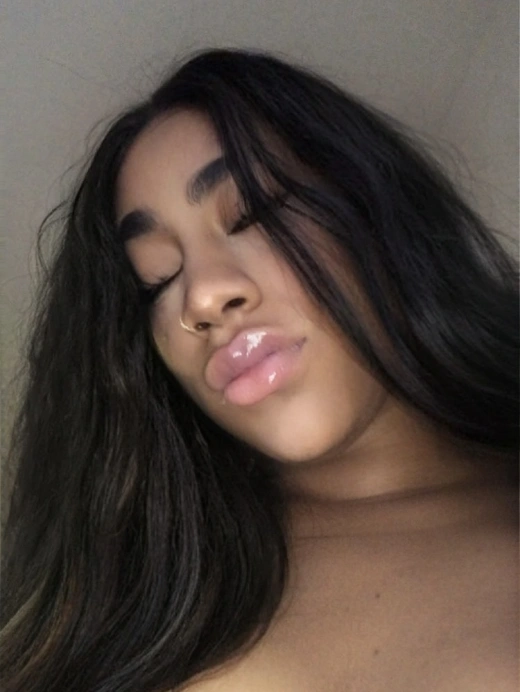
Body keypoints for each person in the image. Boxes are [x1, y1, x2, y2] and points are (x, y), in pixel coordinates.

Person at [1, 48, 517, 692]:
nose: (201, 297)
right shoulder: (129, 597)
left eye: (252, 214)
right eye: (157, 278)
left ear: (375, 210)